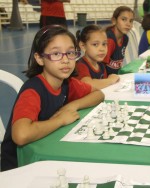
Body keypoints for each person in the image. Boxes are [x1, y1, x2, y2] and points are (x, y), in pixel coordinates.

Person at [0, 25, 105, 171]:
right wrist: (60, 120)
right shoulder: (33, 90)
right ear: (40, 58)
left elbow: (98, 94)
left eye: (70, 53)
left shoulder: (68, 83)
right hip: (20, 166)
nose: (65, 60)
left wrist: (73, 105)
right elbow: (21, 135)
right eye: (56, 54)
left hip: (48, 153)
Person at [76, 25, 120, 90]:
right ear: (83, 46)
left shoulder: (101, 65)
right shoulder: (80, 65)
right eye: (95, 44)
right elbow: (88, 84)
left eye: (104, 44)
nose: (102, 49)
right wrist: (110, 80)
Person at [103, 6, 134, 75]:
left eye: (131, 21)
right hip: (105, 80)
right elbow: (101, 66)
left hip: (115, 78)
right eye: (123, 19)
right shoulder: (109, 40)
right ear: (114, 21)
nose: (128, 24)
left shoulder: (125, 38)